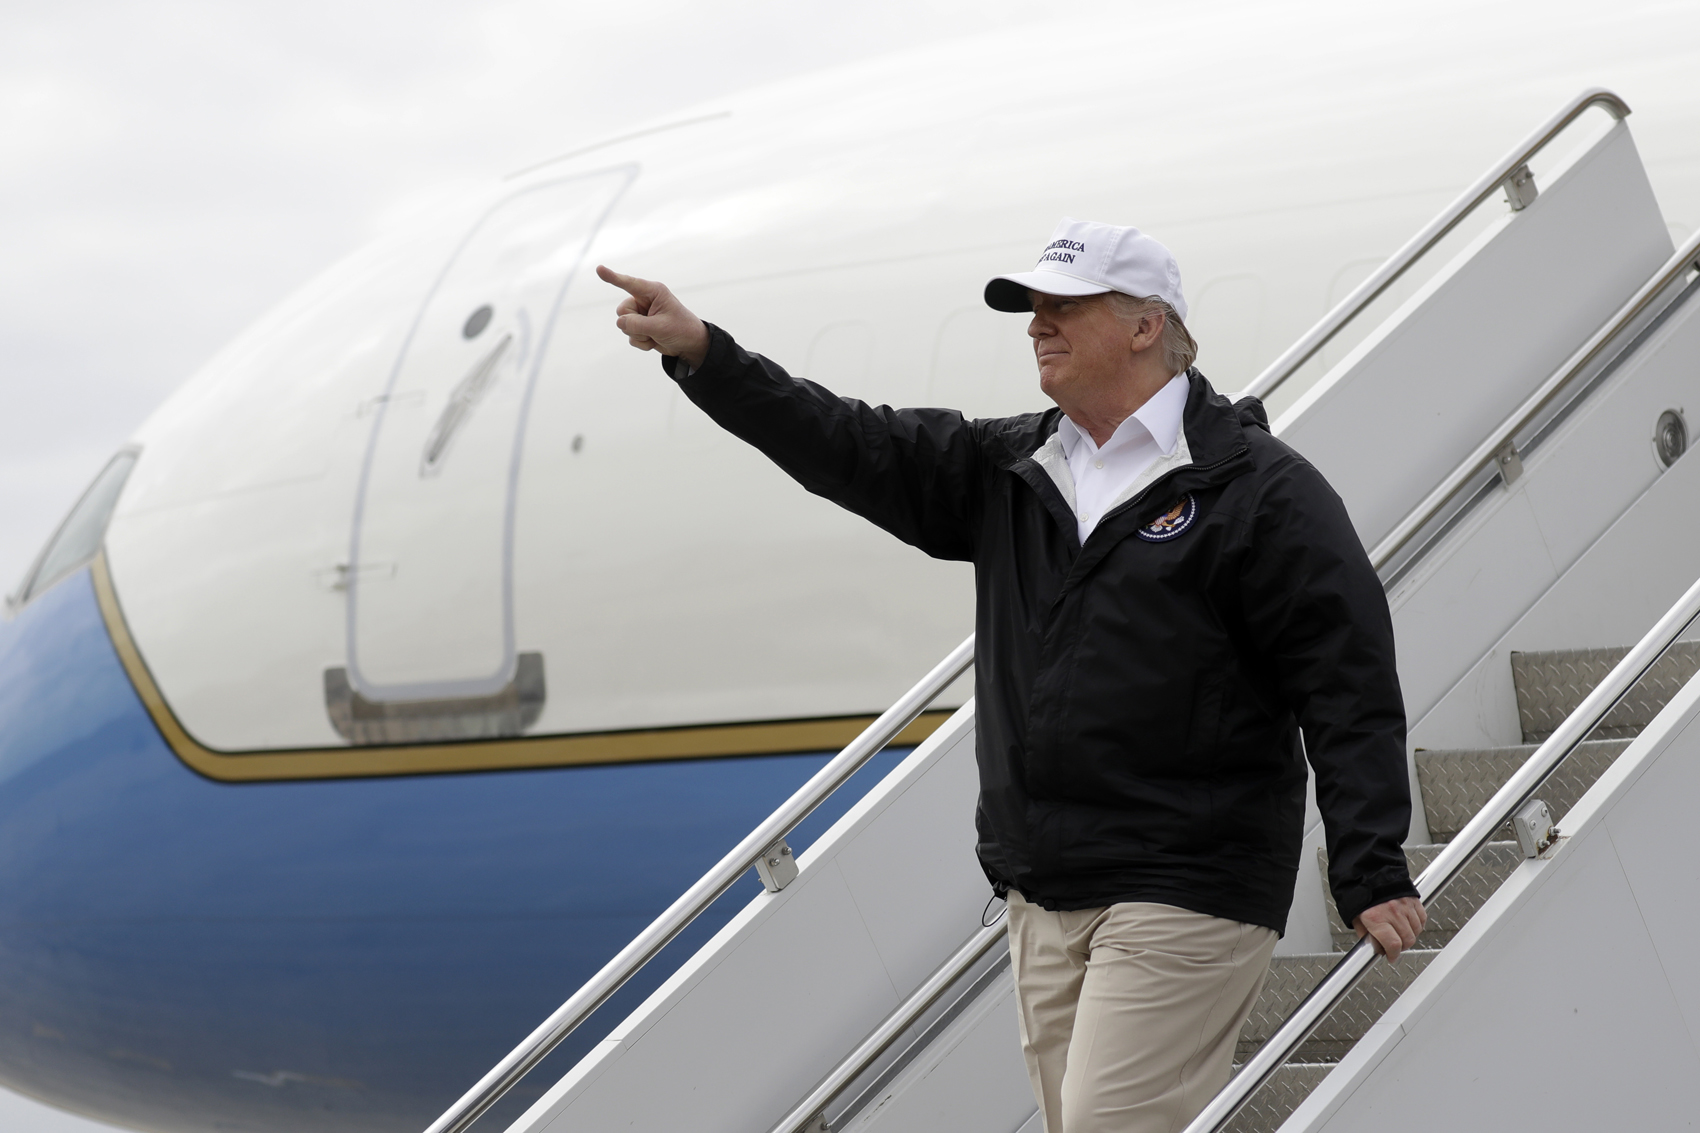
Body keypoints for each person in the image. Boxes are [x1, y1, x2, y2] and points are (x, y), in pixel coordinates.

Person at [596, 217, 1427, 1133]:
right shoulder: (1011, 467)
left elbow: (1344, 675)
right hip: (1042, 892)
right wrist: (707, 357)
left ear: (1148, 326)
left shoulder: (1259, 490)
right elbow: (847, 442)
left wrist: (1370, 863)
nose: (1037, 323)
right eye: (1031, 307)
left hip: (1186, 883)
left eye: (1064, 306)